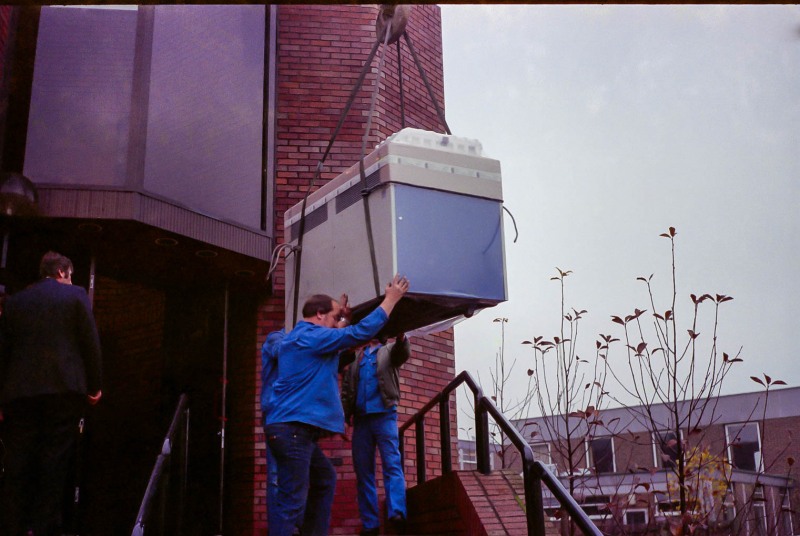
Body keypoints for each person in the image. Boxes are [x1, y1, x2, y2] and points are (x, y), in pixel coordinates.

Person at [264, 274, 409, 536]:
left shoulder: (304, 338)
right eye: (332, 318)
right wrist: (390, 300)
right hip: (293, 431)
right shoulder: (311, 337)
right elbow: (358, 334)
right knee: (291, 504)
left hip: (292, 431)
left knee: (323, 479)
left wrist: (342, 318)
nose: (335, 325)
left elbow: (338, 335)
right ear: (319, 315)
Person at [0, 251, 103, 536]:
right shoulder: (76, 296)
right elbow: (89, 342)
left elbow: (4, 351)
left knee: (18, 460)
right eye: (69, 276)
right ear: (62, 272)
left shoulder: (16, 303)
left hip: (20, 394)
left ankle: (12, 526)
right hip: (63, 389)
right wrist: (95, 385)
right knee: (54, 460)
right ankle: (42, 527)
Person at [341, 334, 410, 536]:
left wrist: (402, 337)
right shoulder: (356, 357)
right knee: (363, 472)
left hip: (385, 416)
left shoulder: (389, 350)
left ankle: (397, 512)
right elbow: (346, 389)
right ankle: (370, 524)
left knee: (392, 463)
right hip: (361, 421)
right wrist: (345, 419)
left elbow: (402, 353)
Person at [260, 328, 286, 530]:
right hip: (276, 413)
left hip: (295, 415)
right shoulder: (276, 337)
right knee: (276, 476)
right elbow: (281, 351)